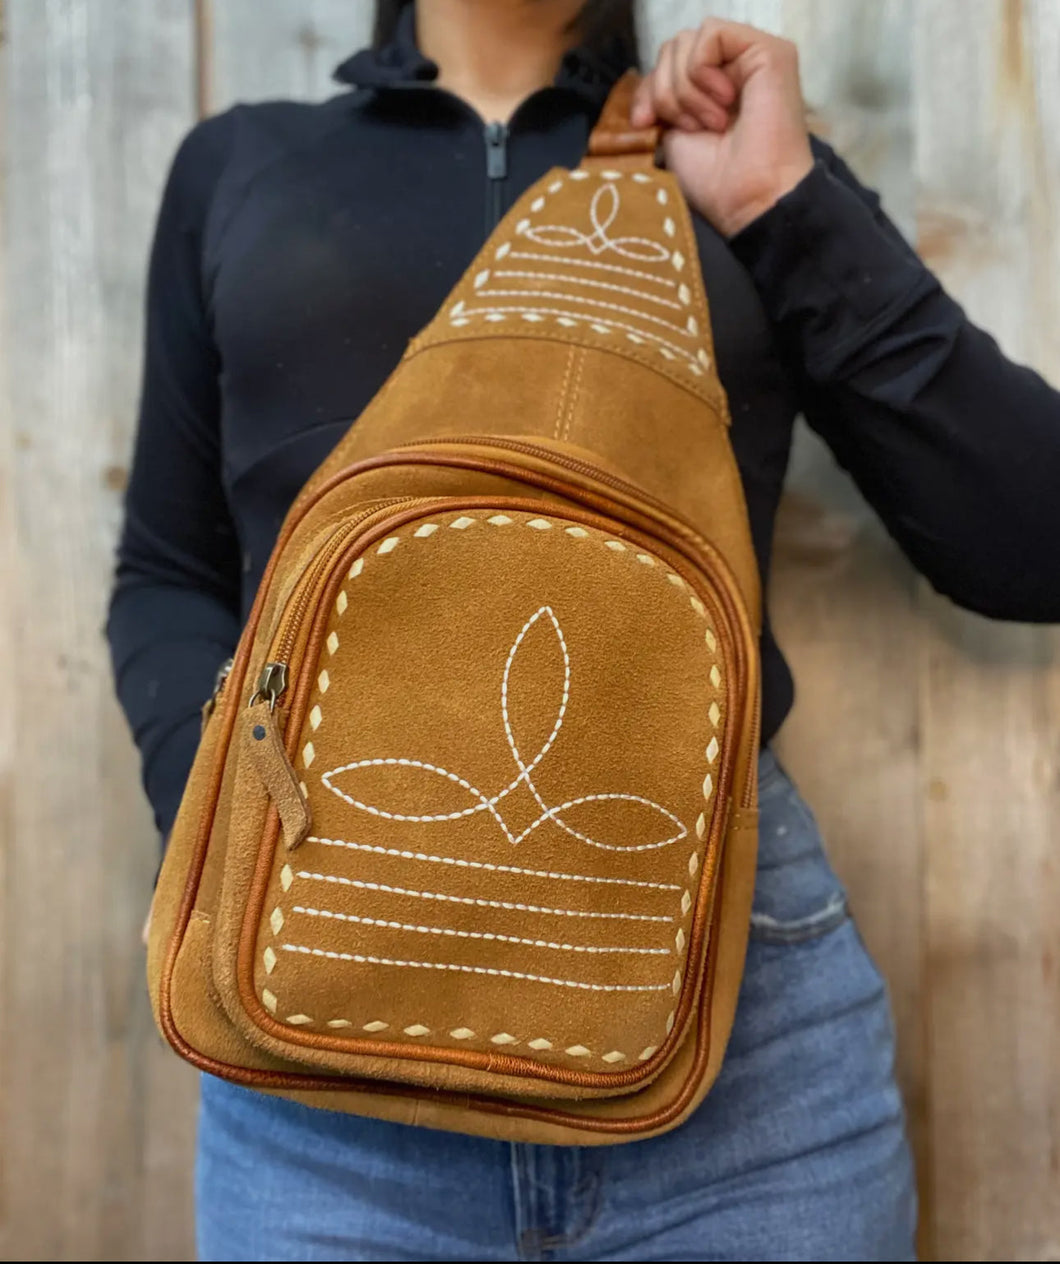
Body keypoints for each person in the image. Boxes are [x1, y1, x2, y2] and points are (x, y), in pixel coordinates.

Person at [107, 1, 1060, 1259]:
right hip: (319, 1055)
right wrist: (221, 833)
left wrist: (780, 201)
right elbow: (168, 571)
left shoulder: (740, 157)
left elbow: (1027, 541)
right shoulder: (243, 160)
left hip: (742, 1056)